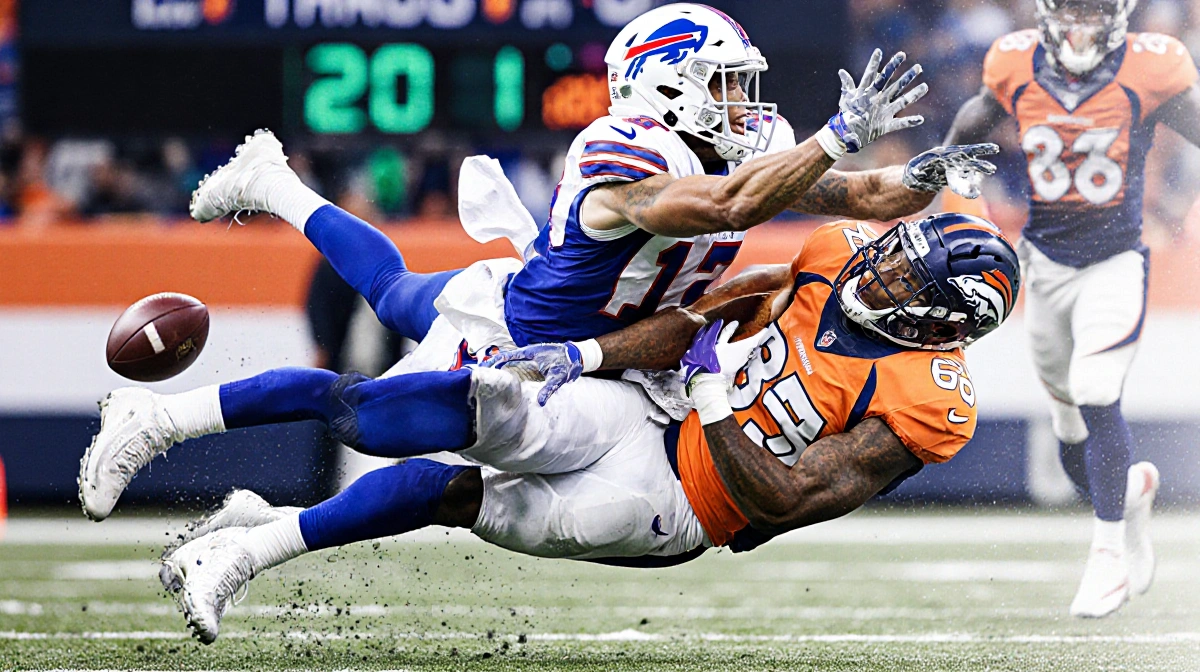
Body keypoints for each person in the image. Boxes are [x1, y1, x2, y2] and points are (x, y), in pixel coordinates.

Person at [79, 3, 1000, 523]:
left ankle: (272, 182)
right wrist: (833, 136)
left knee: (394, 293)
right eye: (723, 83)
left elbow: (856, 195)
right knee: (363, 410)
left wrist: (923, 176)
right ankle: (156, 418)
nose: (743, 102)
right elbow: (727, 207)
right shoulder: (625, 149)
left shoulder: (750, 140)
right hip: (528, 335)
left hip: (598, 345)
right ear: (667, 84)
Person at [96, 213, 1021, 644]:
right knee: (467, 407)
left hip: (679, 505)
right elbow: (714, 313)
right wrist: (589, 354)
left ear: (943, 321)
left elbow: (785, 497)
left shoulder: (926, 403)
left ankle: (248, 547)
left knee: (456, 494)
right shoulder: (830, 255)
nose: (878, 271)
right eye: (891, 255)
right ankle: (169, 426)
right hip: (649, 402)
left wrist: (709, 397)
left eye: (904, 280)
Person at [943, 0, 1200, 618]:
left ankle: (1107, 554)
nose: (1080, 26)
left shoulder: (1152, 66)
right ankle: (1129, 495)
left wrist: (1176, 206)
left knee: (1094, 387)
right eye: (1071, 12)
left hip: (1115, 262)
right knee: (1068, 429)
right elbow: (968, 130)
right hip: (1045, 265)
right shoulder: (1013, 62)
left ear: (1118, 15)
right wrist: (946, 179)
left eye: (1093, 12)